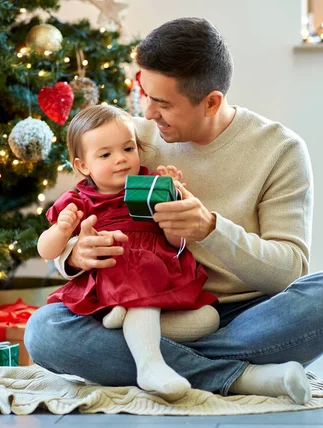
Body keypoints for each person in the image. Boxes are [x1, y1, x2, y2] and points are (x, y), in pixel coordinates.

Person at [25, 17, 323, 405]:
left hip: (245, 316)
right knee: (45, 330)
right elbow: (80, 213)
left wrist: (209, 228)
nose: (148, 113)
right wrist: (73, 257)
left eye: (163, 103)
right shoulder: (131, 139)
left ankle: (169, 364)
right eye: (144, 94)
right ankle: (242, 377)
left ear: (211, 102)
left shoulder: (280, 150)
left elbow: (288, 272)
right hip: (147, 307)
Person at [37, 104, 218, 397]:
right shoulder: (80, 199)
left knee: (210, 318)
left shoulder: (148, 185)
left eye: (128, 149)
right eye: (106, 155)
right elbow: (46, 250)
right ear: (83, 166)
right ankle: (149, 364)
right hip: (115, 270)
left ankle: (128, 324)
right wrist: (60, 231)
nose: (121, 160)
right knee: (138, 267)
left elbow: (175, 242)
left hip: (163, 275)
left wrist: (173, 204)